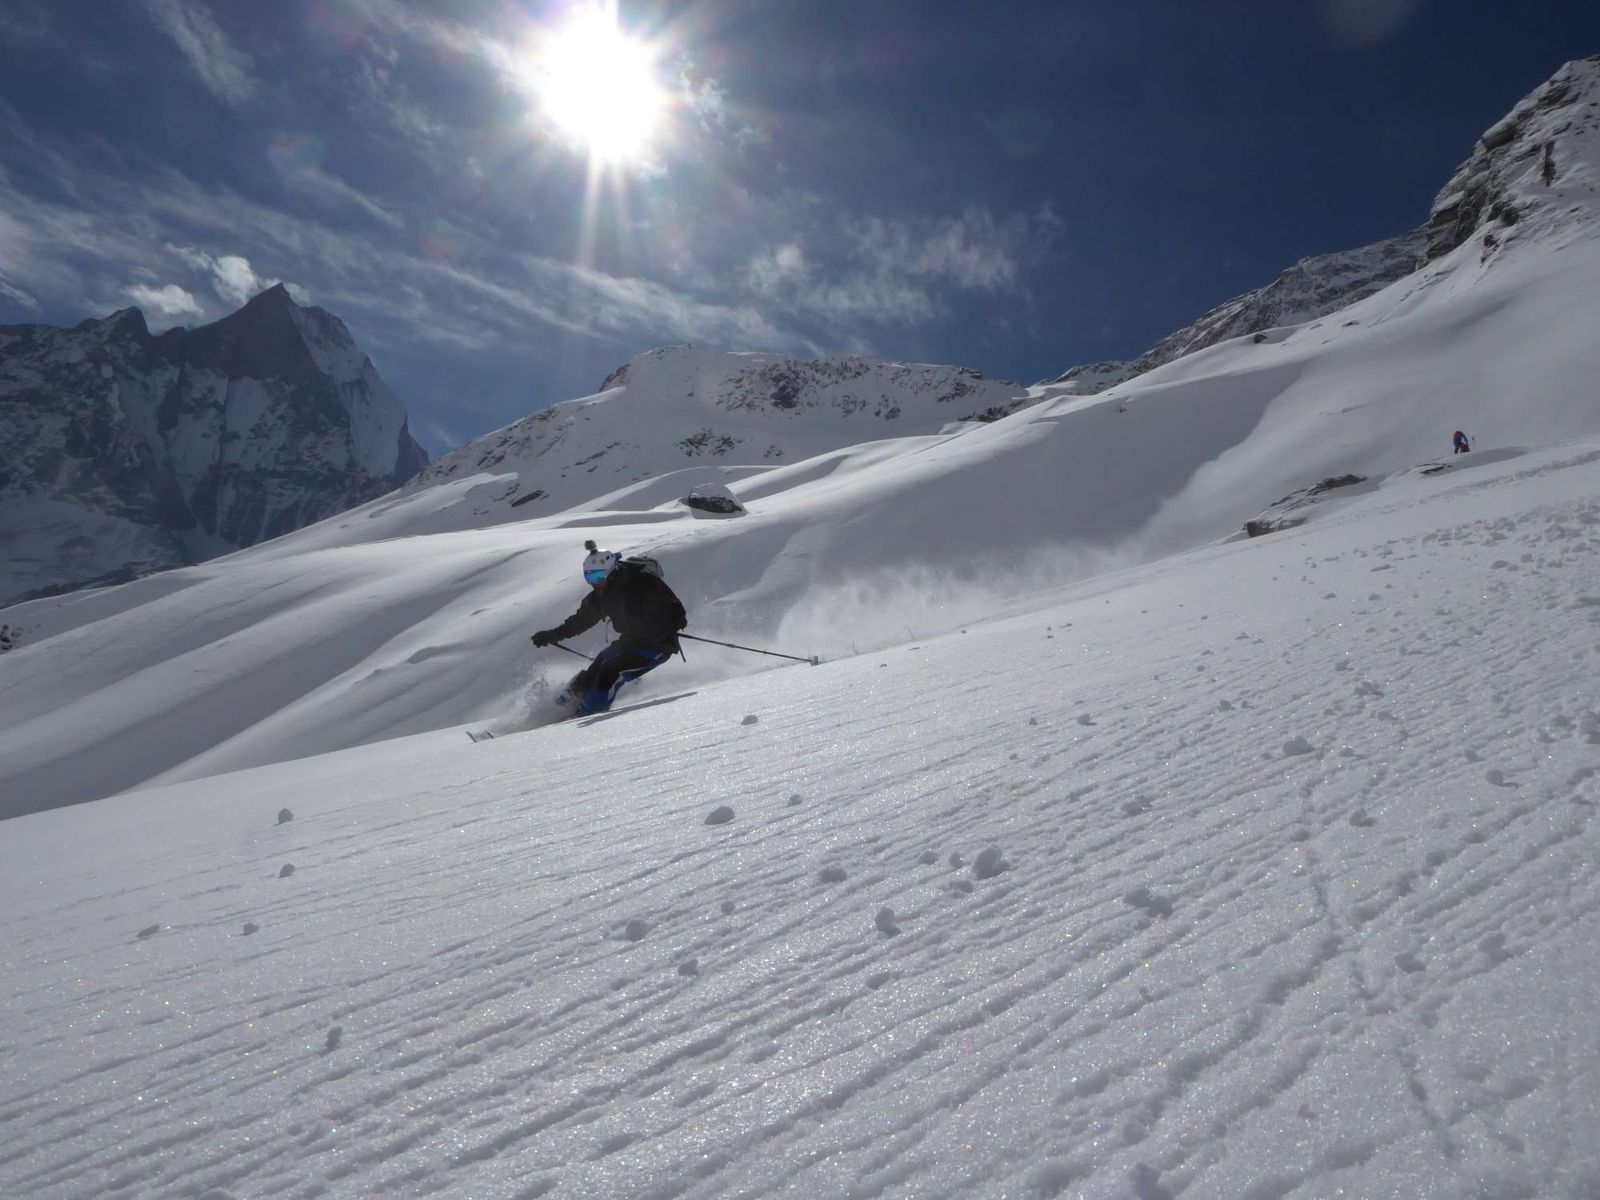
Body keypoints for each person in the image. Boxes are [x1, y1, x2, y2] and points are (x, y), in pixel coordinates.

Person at [530, 540, 687, 715]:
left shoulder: (640, 584)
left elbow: (676, 610)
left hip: (657, 645)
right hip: (630, 641)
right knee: (597, 666)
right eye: (589, 577)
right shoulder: (601, 596)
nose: (594, 583)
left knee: (611, 671)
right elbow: (580, 621)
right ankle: (560, 707)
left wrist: (672, 621)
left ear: (611, 572)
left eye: (598, 577)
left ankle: (586, 714)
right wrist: (551, 635)